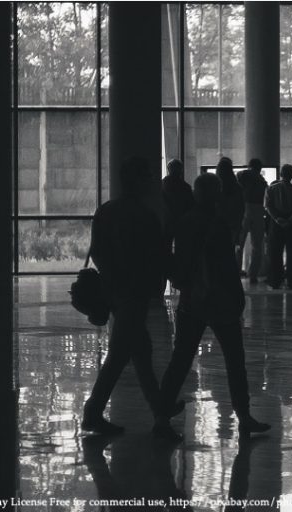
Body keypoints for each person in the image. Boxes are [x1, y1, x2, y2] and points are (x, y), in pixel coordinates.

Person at [155, 172, 270, 440]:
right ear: (216, 194)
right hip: (221, 301)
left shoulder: (186, 222)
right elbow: (226, 268)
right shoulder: (218, 224)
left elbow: (179, 261)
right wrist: (237, 298)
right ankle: (243, 416)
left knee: (181, 360)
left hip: (193, 301)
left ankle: (161, 416)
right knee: (234, 360)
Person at [82, 156, 167, 435]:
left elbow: (96, 250)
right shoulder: (144, 215)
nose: (152, 182)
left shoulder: (106, 211)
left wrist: (111, 277)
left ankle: (160, 412)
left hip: (116, 291)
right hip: (134, 293)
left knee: (140, 351)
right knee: (122, 354)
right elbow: (156, 257)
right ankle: (94, 412)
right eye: (147, 176)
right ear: (138, 180)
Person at [265, 164, 292, 289]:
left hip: (276, 223)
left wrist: (277, 219)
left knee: (275, 253)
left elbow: (268, 206)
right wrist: (290, 220)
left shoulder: (271, 189)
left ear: (280, 174)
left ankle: (275, 280)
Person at [237, 159, 268, 284]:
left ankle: (236, 272)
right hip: (258, 210)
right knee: (257, 246)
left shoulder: (241, 175)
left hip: (243, 209)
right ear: (260, 168)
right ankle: (253, 275)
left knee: (239, 244)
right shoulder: (262, 181)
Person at [213, 157, 246, 276]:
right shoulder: (237, 187)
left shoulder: (215, 186)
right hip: (232, 224)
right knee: (230, 250)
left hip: (217, 224)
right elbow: (241, 209)